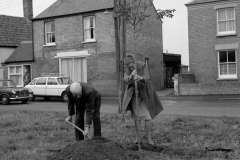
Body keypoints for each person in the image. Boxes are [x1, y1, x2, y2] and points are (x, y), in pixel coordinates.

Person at [122, 55, 163, 146]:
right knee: (137, 118)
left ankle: (149, 138)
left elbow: (147, 77)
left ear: (134, 62)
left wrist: (140, 78)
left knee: (147, 117)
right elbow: (125, 78)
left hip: (144, 95)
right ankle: (138, 138)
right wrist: (131, 77)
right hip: (134, 95)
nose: (129, 68)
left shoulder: (142, 65)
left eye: (131, 66)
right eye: (127, 67)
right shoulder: (126, 67)